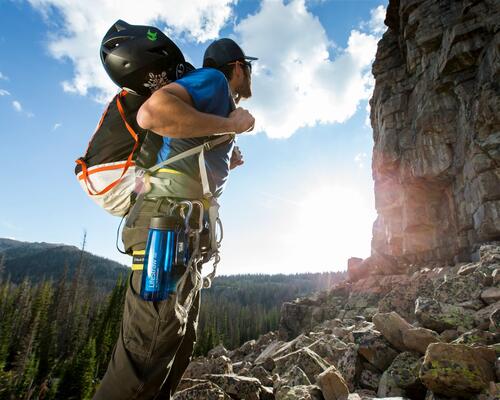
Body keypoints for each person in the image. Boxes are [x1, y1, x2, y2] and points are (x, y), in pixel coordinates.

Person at [93, 37, 256, 400]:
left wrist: (226, 151)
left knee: (174, 351)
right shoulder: (213, 80)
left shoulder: (216, 101)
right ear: (238, 67)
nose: (250, 76)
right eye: (249, 68)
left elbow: (183, 154)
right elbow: (152, 113)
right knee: (144, 359)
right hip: (168, 226)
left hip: (183, 231)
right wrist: (234, 125)